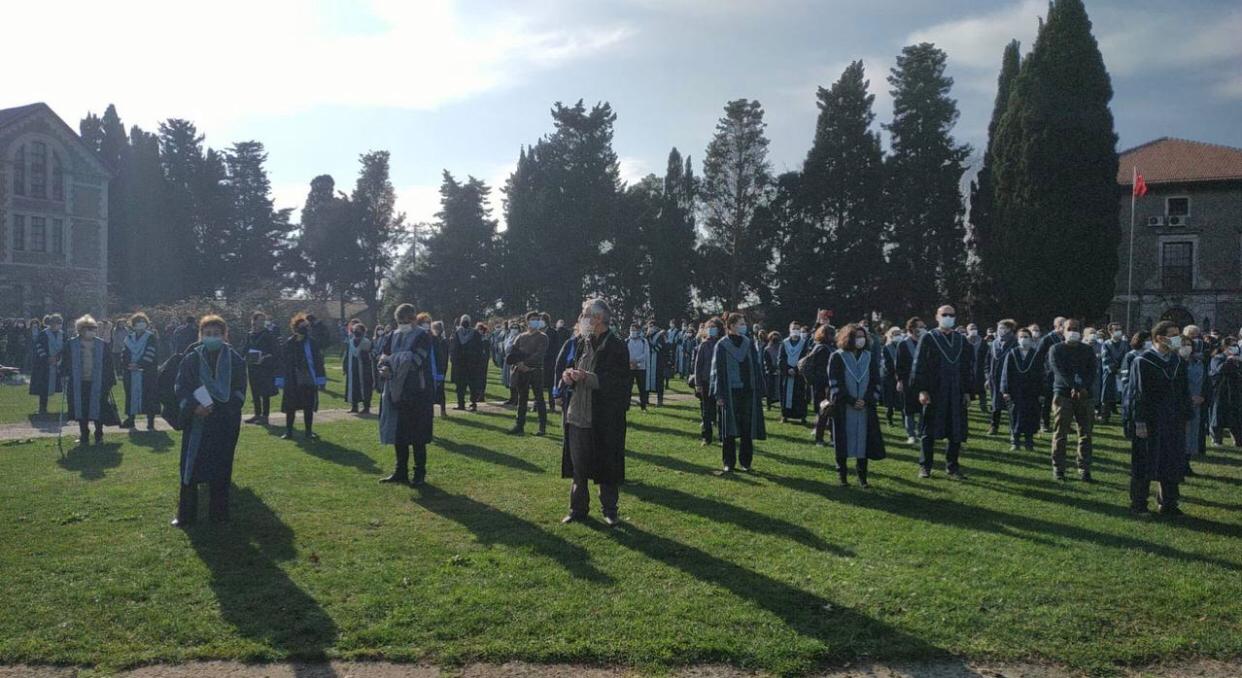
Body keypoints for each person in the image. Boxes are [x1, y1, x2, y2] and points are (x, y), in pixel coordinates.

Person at [559, 298, 630, 526]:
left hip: (603, 418)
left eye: (585, 314)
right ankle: (577, 509)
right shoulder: (581, 341)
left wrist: (586, 378)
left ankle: (610, 511)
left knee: (606, 466)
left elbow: (617, 383)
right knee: (578, 467)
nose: (582, 319)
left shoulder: (616, 346)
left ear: (598, 318)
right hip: (577, 414)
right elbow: (571, 367)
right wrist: (568, 376)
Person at [172, 315, 246, 527]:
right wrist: (195, 407)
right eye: (207, 334)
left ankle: (219, 515)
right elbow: (181, 387)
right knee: (190, 467)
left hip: (224, 423)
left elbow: (240, 390)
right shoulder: (191, 359)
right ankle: (186, 516)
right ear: (201, 335)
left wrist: (224, 409)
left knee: (221, 468)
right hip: (197, 421)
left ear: (224, 335)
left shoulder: (235, 360)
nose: (212, 337)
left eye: (216, 334)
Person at [1129, 320, 1191, 516]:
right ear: (1159, 337)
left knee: (1171, 459)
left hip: (1172, 418)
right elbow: (1137, 394)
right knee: (1145, 461)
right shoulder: (1143, 361)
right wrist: (1139, 422)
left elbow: (1183, 390)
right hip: (1150, 419)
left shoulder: (1177, 361)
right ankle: (1139, 503)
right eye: (1173, 334)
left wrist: (1185, 415)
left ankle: (1168, 503)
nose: (1177, 339)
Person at [910, 305, 974, 480]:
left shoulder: (961, 340)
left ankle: (952, 467)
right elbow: (919, 365)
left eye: (951, 315)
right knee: (928, 430)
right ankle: (925, 466)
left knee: (956, 431)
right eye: (944, 314)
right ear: (937, 317)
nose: (948, 317)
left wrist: (968, 391)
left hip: (956, 391)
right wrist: (922, 390)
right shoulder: (929, 338)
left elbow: (967, 367)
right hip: (934, 391)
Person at [377, 304, 436, 486]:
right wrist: (384, 367)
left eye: (405, 321)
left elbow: (415, 362)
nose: (402, 324)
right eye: (399, 321)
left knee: (417, 435)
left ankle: (419, 473)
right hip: (395, 391)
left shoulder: (423, 336)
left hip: (417, 391)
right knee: (398, 433)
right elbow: (382, 358)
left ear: (413, 319)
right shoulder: (391, 336)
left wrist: (391, 361)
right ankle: (400, 471)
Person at [827, 324, 886, 486]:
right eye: (857, 336)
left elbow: (876, 381)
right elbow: (835, 383)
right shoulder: (838, 357)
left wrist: (866, 400)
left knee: (863, 442)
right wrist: (851, 400)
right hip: (844, 406)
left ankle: (862, 477)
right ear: (848, 337)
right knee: (842, 441)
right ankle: (842, 475)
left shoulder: (868, 356)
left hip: (865, 407)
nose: (861, 339)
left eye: (863, 337)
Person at [710, 312, 767, 473]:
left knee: (747, 428)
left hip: (748, 391)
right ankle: (729, 462)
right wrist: (719, 394)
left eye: (744, 323)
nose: (744, 326)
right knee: (729, 428)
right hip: (730, 392)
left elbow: (756, 367)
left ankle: (746, 462)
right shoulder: (722, 345)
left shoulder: (748, 343)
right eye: (741, 323)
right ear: (731, 325)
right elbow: (716, 371)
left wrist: (760, 389)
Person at [1048, 319, 1098, 482]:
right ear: (1062, 330)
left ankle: (1084, 468)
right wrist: (1075, 387)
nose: (1073, 331)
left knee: (1085, 434)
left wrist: (1083, 387)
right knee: (1061, 433)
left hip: (1085, 395)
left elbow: (1092, 371)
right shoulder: (1056, 349)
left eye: (1076, 329)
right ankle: (1059, 468)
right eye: (1070, 329)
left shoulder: (1087, 350)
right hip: (1063, 394)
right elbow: (1059, 371)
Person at [62, 315, 120, 446]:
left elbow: (109, 365)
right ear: (80, 330)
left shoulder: (102, 345)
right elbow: (65, 363)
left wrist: (110, 381)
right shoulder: (71, 344)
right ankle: (84, 434)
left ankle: (99, 435)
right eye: (88, 329)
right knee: (82, 410)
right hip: (79, 383)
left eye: (93, 328)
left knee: (98, 410)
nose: (92, 331)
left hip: (99, 383)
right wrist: (64, 374)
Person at [276, 312, 326, 440]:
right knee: (290, 407)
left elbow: (318, 361)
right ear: (295, 328)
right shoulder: (289, 343)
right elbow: (282, 362)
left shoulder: (312, 343)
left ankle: (308, 431)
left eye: (307, 327)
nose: (305, 329)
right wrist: (280, 379)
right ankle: (289, 431)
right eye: (302, 327)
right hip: (292, 379)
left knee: (308, 406)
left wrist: (321, 379)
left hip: (308, 378)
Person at [1001, 327, 1043, 451]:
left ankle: (1029, 442)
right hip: (1016, 391)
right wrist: (1005, 390)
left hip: (1031, 391)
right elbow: (1006, 372)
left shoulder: (1036, 355)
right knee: (1015, 415)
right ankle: (1015, 440)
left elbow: (1041, 374)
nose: (1023, 339)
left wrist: (1041, 392)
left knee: (1030, 415)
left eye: (1026, 337)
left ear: (1031, 339)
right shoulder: (1012, 353)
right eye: (1021, 337)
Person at [508, 311, 549, 436]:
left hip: (535, 371)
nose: (535, 321)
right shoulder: (520, 337)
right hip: (521, 372)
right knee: (522, 400)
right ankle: (519, 425)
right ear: (527, 321)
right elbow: (512, 353)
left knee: (539, 399)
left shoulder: (543, 337)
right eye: (533, 319)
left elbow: (539, 354)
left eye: (537, 319)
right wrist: (519, 364)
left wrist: (526, 364)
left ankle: (542, 427)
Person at [120, 312, 160, 430]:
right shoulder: (129, 338)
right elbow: (124, 353)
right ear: (133, 324)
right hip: (131, 372)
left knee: (149, 396)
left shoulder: (151, 337)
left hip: (147, 372)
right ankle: (131, 419)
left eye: (143, 322)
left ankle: (150, 422)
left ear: (147, 324)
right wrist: (128, 364)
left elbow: (151, 353)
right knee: (130, 395)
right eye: (138, 322)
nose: (141, 324)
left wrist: (139, 364)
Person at [242, 311, 280, 425]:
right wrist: (242, 358)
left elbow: (275, 350)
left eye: (263, 320)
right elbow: (245, 348)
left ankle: (265, 416)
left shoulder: (268, 334)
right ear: (254, 321)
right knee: (255, 391)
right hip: (252, 366)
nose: (262, 322)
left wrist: (265, 357)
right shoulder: (250, 334)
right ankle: (257, 414)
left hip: (265, 366)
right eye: (260, 320)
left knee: (265, 392)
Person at [895, 317, 925, 445]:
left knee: (924, 407)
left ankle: (921, 432)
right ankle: (911, 434)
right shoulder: (903, 344)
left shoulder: (925, 342)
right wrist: (900, 380)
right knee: (909, 409)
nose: (922, 329)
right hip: (908, 381)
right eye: (919, 326)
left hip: (923, 380)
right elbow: (899, 364)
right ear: (912, 328)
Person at [692, 319, 723, 445]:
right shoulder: (703, 345)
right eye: (709, 327)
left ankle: (722, 436)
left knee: (721, 410)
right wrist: (697, 383)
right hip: (705, 381)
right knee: (706, 410)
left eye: (714, 327)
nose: (711, 329)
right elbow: (698, 365)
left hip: (719, 381)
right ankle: (706, 437)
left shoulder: (722, 344)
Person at [448, 314, 487, 412]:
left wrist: (477, 361)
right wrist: (453, 359)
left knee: (473, 386)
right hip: (459, 364)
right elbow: (453, 348)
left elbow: (479, 349)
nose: (465, 322)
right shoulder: (456, 333)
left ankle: (473, 403)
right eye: (463, 320)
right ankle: (460, 404)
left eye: (467, 320)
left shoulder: (475, 333)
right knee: (460, 386)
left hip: (472, 364)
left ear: (470, 322)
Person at [1208, 337, 1242, 447]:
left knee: (1236, 416)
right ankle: (1217, 439)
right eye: (1231, 346)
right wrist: (1228, 360)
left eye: (1235, 345)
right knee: (1218, 415)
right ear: (1224, 347)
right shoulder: (1218, 358)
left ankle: (1238, 440)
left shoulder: (1238, 359)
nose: (1234, 348)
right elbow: (1218, 370)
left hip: (1235, 390)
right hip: (1221, 390)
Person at [1182, 330, 1208, 472]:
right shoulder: (1175, 362)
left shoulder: (1198, 362)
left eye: (1189, 344)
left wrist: (1203, 396)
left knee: (1192, 434)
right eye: (1183, 345)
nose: (1187, 347)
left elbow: (1206, 381)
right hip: (1182, 402)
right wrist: (1188, 397)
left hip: (1197, 402)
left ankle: (1187, 462)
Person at [1035, 316, 1067, 432]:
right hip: (1049, 374)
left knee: (1063, 401)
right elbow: (1039, 357)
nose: (1064, 327)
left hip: (1063, 375)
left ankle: (1064, 424)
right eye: (1062, 325)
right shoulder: (1047, 339)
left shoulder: (1066, 338)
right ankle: (1045, 423)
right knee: (1047, 401)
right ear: (1056, 326)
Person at [806, 324, 835, 447]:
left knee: (828, 412)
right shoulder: (823, 349)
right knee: (824, 412)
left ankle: (831, 437)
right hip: (823, 385)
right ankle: (819, 438)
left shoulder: (823, 347)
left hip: (824, 384)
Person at [29, 314, 65, 415]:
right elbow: (39, 347)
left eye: (60, 324)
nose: (59, 326)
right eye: (57, 323)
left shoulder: (63, 334)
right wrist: (47, 358)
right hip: (44, 365)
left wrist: (57, 358)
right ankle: (42, 408)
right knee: (43, 388)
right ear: (52, 324)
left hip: (58, 363)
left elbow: (65, 348)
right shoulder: (43, 334)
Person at [986, 320, 1017, 435]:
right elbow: (988, 361)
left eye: (1003, 328)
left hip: (1010, 378)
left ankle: (1013, 428)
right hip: (995, 378)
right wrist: (987, 376)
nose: (1000, 330)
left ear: (1009, 329)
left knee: (1011, 404)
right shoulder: (994, 343)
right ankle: (994, 426)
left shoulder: (1015, 342)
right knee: (995, 404)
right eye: (999, 328)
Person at [778, 323, 811, 424]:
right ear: (789, 329)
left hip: (799, 375)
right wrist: (787, 369)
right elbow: (781, 358)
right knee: (785, 395)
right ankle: (785, 415)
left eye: (797, 329)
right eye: (793, 328)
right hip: (787, 375)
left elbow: (805, 358)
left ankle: (801, 416)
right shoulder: (784, 343)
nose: (795, 330)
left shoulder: (804, 343)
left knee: (800, 396)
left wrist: (796, 369)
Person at [342, 320, 375, 414]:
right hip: (352, 369)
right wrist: (345, 366)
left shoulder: (367, 342)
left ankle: (366, 407)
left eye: (358, 329)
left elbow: (373, 354)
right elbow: (347, 354)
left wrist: (365, 355)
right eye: (355, 329)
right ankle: (354, 406)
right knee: (353, 387)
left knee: (365, 388)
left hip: (364, 369)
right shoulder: (350, 342)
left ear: (363, 331)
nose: (356, 331)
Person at [1099, 322, 1128, 424]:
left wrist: (1123, 368)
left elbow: (1127, 357)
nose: (1118, 332)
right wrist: (1114, 369)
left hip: (1123, 372)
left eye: (1120, 329)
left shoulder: (1125, 344)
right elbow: (1105, 358)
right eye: (1116, 329)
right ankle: (1104, 416)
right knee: (1107, 394)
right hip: (1110, 372)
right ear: (1110, 331)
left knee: (1124, 395)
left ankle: (1125, 417)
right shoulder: (1106, 344)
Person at [879, 327, 903, 426]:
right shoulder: (886, 347)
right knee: (890, 400)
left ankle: (904, 419)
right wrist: (894, 372)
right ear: (891, 336)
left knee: (901, 399)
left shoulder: (902, 346)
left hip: (900, 376)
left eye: (899, 334)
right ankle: (889, 418)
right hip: (889, 376)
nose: (898, 336)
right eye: (896, 334)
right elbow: (886, 363)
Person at [425, 316, 449, 418]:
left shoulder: (442, 341)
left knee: (440, 389)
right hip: (432, 369)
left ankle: (443, 410)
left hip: (439, 369)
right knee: (430, 391)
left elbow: (443, 358)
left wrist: (442, 371)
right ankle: (431, 411)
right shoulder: (431, 340)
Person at [626, 323, 652, 412]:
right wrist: (630, 362)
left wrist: (636, 361)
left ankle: (643, 406)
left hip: (641, 368)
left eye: (634, 330)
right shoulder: (627, 341)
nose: (632, 332)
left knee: (642, 388)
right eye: (631, 330)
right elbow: (625, 353)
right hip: (630, 368)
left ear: (638, 331)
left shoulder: (644, 341)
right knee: (628, 388)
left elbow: (646, 354)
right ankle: (627, 406)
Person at [966, 323, 989, 414]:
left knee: (981, 390)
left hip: (980, 368)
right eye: (971, 328)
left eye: (975, 328)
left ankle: (983, 407)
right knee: (967, 389)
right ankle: (966, 406)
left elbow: (987, 355)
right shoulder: (964, 341)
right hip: (968, 369)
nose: (973, 330)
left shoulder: (982, 341)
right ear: (968, 330)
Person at [762, 331, 782, 410]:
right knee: (769, 390)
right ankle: (769, 405)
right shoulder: (767, 349)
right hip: (770, 372)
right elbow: (766, 361)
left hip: (780, 371)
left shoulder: (781, 347)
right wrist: (772, 369)